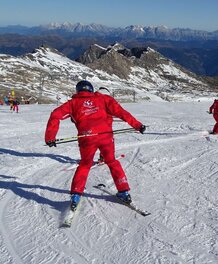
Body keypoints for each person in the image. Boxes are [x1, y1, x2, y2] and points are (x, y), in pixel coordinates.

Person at [45, 80, 146, 211]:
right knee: (112, 162)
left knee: (85, 165)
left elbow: (55, 115)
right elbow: (122, 113)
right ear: (91, 90)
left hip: (87, 139)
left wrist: (50, 137)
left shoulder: (72, 103)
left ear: (78, 91)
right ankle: (124, 192)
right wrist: (138, 125)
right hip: (106, 137)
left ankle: (76, 195)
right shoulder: (104, 99)